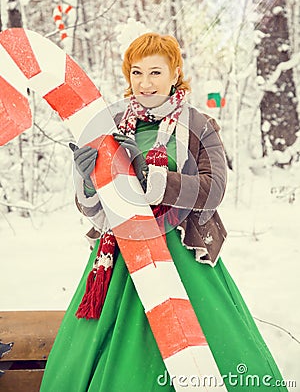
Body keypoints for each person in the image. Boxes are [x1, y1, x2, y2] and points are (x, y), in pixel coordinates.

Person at [40, 33, 287, 391]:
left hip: (179, 252)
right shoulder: (110, 121)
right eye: (136, 73)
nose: (145, 83)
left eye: (155, 72)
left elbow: (213, 190)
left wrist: (149, 174)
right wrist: (89, 179)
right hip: (119, 254)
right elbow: (93, 205)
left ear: (175, 73)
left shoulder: (199, 126)